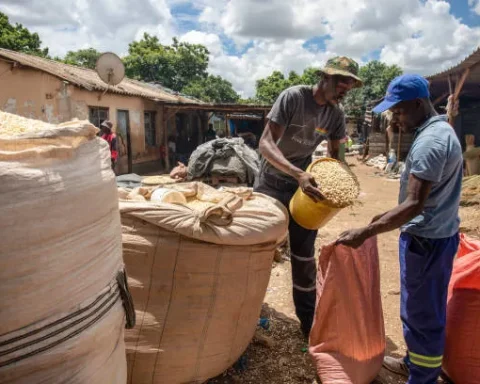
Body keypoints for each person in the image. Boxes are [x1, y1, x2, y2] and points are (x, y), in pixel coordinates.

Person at [337, 74, 463, 384]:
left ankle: (422, 377)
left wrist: (365, 233)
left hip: (426, 241)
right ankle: (414, 363)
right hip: (437, 234)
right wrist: (384, 215)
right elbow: (420, 200)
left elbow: (413, 205)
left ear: (419, 104)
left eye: (400, 110)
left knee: (422, 317)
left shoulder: (430, 143)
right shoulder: (437, 131)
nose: (395, 117)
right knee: (421, 309)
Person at [255, 56, 362, 337]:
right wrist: (296, 173)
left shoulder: (335, 115)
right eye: (341, 83)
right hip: (271, 183)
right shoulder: (293, 97)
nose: (344, 91)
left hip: (303, 188)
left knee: (304, 257)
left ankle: (307, 324)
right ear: (324, 77)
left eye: (349, 88)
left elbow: (335, 155)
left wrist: (340, 180)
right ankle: (248, 312)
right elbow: (265, 143)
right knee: (258, 250)